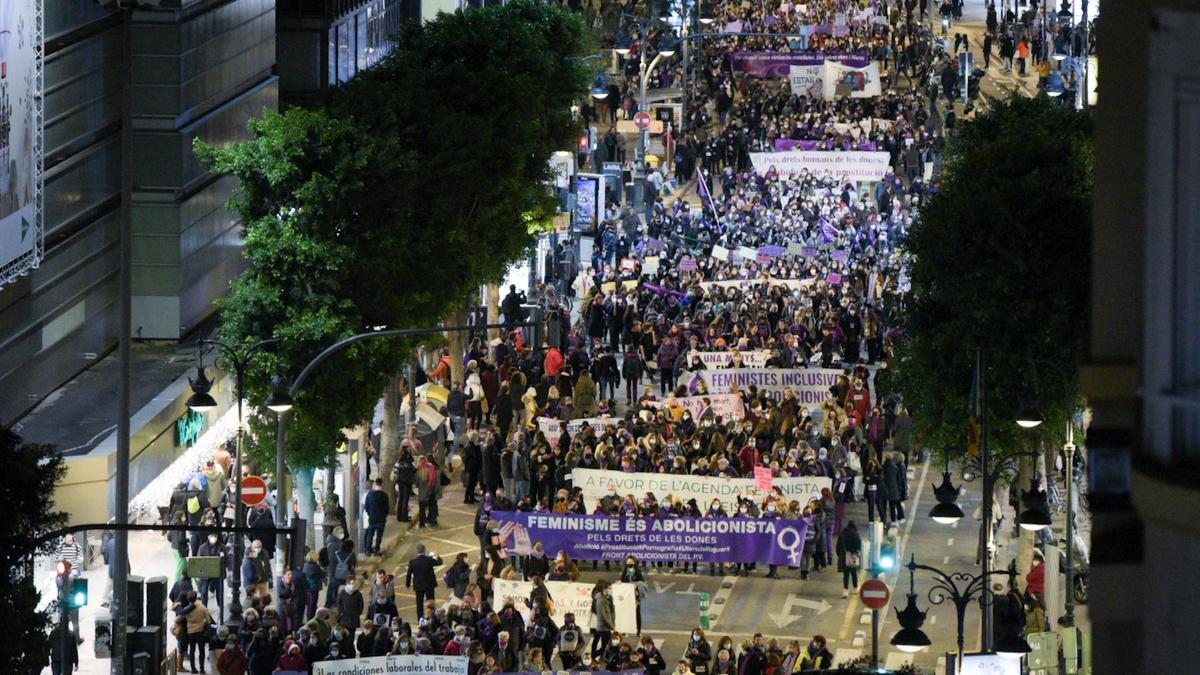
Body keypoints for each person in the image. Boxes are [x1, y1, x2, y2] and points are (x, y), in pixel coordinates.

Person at [405, 543, 443, 610]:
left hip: (418, 585)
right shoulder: (429, 559)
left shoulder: (412, 562)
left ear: (417, 551)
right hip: (429, 584)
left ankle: (420, 618)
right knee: (430, 601)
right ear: (424, 550)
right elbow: (439, 562)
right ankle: (431, 615)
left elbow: (409, 574)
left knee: (419, 603)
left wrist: (407, 584)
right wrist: (437, 556)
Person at [835, 521, 863, 598]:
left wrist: (840, 555)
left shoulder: (843, 534)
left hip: (844, 555)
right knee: (854, 573)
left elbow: (838, 546)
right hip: (853, 556)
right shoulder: (856, 534)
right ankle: (855, 588)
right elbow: (859, 547)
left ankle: (845, 590)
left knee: (846, 574)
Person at [363, 478, 390, 555]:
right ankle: (377, 549)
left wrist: (370, 514)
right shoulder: (384, 496)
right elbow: (387, 508)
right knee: (379, 535)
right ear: (382, 485)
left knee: (370, 534)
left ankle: (368, 550)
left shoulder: (369, 495)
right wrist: (384, 515)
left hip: (372, 518)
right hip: (381, 519)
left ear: (375, 485)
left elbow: (367, 507)